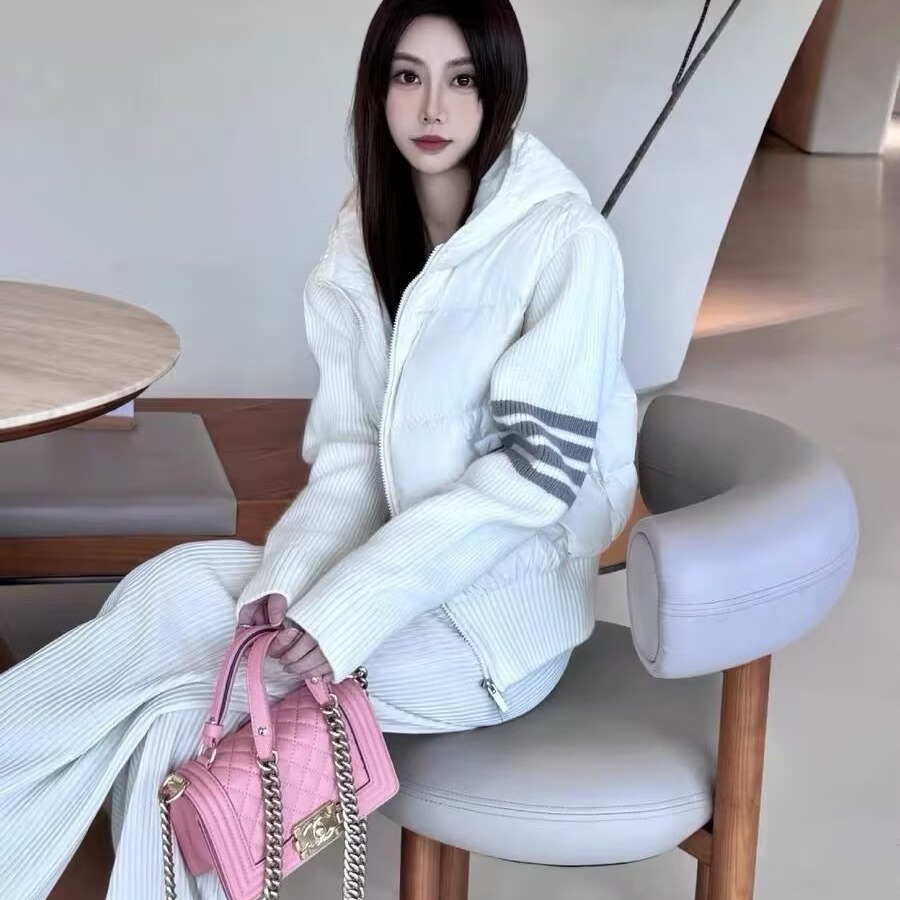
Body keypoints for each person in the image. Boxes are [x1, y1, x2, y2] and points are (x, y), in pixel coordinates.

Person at [0, 1, 637, 897]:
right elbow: (349, 452)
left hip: (495, 625)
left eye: (462, 81)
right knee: (168, 588)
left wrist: (342, 611)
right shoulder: (362, 231)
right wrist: (288, 582)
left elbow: (532, 480)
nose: (432, 108)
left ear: (501, 91)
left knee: (180, 708)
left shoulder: (567, 241)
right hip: (384, 570)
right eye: (408, 77)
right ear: (378, 89)